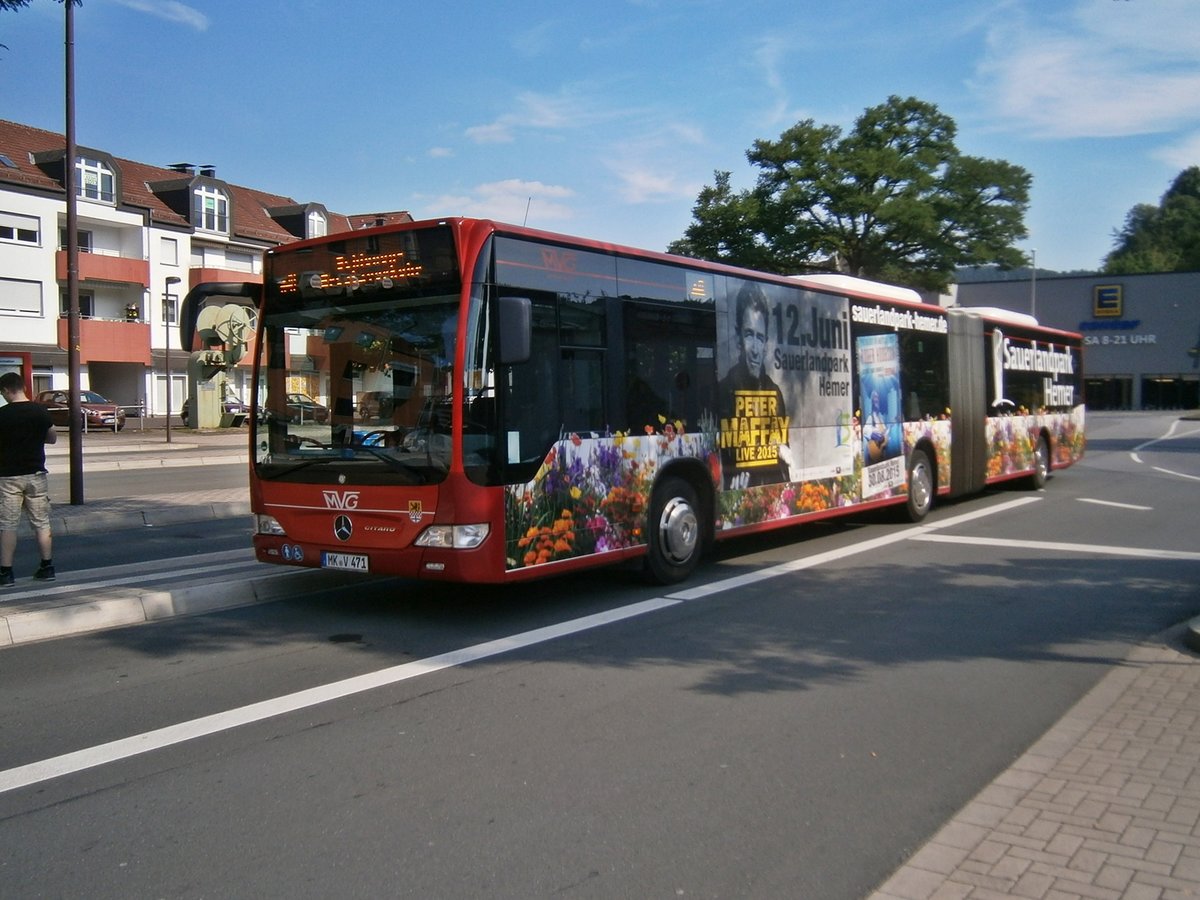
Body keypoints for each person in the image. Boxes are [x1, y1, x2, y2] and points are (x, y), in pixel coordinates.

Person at [717, 282, 792, 488]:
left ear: (767, 343)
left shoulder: (774, 393)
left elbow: (785, 465)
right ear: (738, 337)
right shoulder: (723, 391)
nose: (755, 350)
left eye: (760, 337)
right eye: (749, 334)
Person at [0, 372, 57, 587]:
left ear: (7, 390)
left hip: (8, 476)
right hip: (36, 474)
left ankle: (6, 573)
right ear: (22, 387)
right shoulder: (40, 411)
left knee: (8, 524)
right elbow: (52, 438)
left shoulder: (2, 415)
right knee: (41, 522)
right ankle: (47, 566)